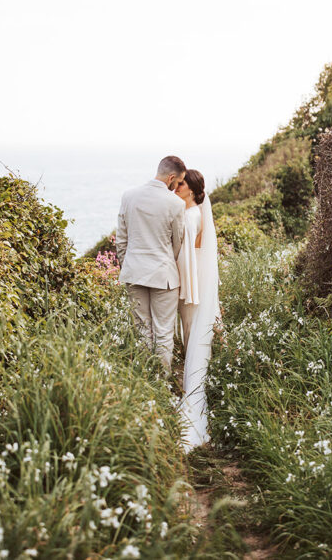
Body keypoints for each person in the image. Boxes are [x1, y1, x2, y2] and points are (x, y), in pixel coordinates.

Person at [116, 155, 187, 376]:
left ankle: (145, 381)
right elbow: (178, 241)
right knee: (164, 331)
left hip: (134, 273)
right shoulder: (176, 203)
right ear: (171, 178)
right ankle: (162, 381)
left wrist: (128, 266)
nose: (177, 188)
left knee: (141, 330)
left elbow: (121, 240)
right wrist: (166, 260)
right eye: (178, 183)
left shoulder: (129, 196)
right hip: (163, 275)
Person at [172, 169, 220, 452]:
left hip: (191, 282)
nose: (176, 187)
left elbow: (184, 254)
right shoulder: (196, 212)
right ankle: (198, 383)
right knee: (197, 331)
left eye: (180, 184)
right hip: (201, 279)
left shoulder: (191, 216)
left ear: (191, 189)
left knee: (192, 333)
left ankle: (194, 393)